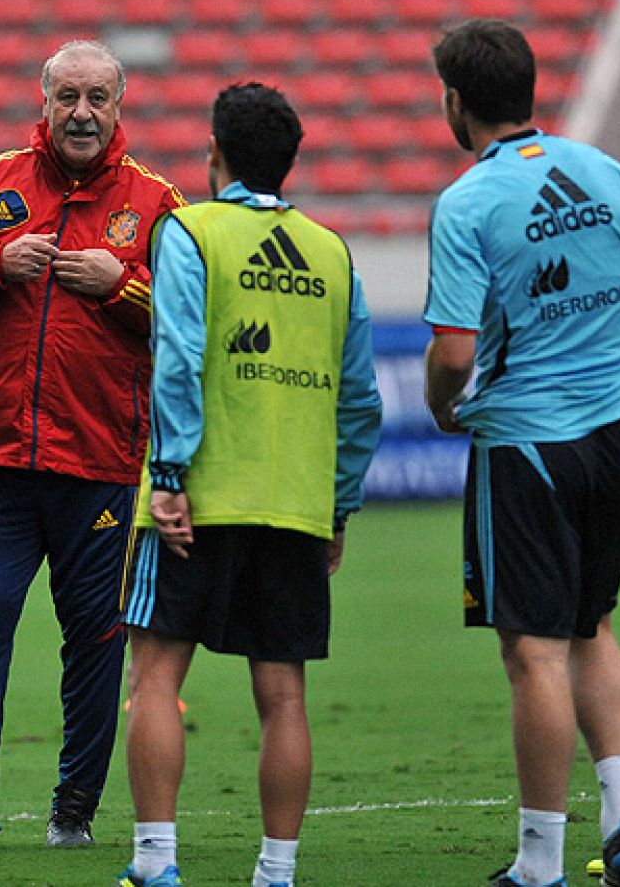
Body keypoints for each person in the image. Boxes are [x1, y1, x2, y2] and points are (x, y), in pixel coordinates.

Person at [422, 19, 620, 887]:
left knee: (535, 650)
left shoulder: (468, 202)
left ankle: (541, 861)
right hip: (619, 434)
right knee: (593, 626)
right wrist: (617, 354)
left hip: (529, 443)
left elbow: (453, 353)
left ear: (456, 103)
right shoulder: (602, 171)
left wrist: (444, 407)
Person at [0, 39, 185, 855]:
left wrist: (121, 286)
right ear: (46, 100)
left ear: (120, 105)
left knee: (93, 639)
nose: (83, 113)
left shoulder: (157, 203)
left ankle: (74, 807)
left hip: (98, 464)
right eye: (69, 97)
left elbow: (192, 319)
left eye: (98, 97)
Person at [117, 82, 382, 887]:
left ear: (214, 155)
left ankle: (157, 861)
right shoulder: (334, 253)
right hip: (296, 502)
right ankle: (277, 871)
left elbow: (179, 359)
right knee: (284, 695)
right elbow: (361, 397)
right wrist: (336, 503)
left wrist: (168, 477)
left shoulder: (189, 232)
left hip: (198, 497)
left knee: (156, 677)